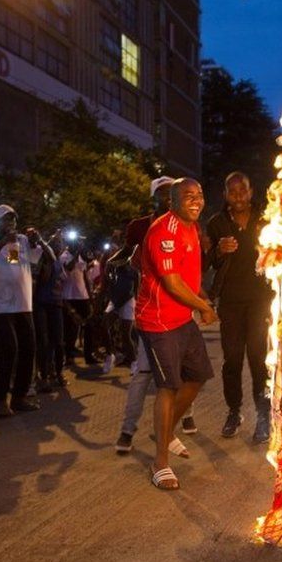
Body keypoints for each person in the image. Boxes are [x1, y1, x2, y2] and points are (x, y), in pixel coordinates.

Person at [135, 178, 217, 490]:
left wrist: (202, 299)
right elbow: (171, 282)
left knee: (196, 377)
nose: (196, 201)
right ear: (172, 201)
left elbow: (189, 275)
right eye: (188, 196)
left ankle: (166, 431)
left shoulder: (192, 228)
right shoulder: (163, 231)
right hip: (158, 322)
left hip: (182, 318)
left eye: (199, 195)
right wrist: (203, 308)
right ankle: (160, 464)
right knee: (168, 387)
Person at [114, 176, 199, 451]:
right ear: (154, 197)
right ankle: (128, 430)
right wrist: (121, 263)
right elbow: (126, 255)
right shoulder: (140, 226)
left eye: (171, 193)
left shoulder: (188, 223)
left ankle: (184, 416)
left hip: (182, 307)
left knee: (187, 370)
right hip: (154, 311)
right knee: (144, 372)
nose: (167, 198)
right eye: (162, 194)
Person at [205, 172, 274, 442]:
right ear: (225, 195)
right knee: (232, 360)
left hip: (261, 299)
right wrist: (220, 250)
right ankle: (234, 412)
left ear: (250, 191)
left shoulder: (267, 218)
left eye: (242, 191)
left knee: (259, 359)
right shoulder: (217, 223)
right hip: (231, 301)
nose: (238, 197)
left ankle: (263, 415)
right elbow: (208, 261)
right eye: (232, 192)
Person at [0, 204, 52, 417]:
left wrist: (38, 241)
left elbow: (18, 266)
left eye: (13, 219)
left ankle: (19, 397)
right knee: (11, 348)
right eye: (5, 219)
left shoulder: (18, 243)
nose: (10, 223)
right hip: (1, 304)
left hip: (22, 304)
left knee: (29, 348)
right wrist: (2, 242)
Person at [33, 232, 67, 391]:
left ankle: (59, 372)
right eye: (54, 242)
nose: (58, 246)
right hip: (41, 303)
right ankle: (44, 376)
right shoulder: (43, 259)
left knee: (59, 342)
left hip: (57, 304)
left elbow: (62, 282)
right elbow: (43, 279)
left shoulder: (60, 262)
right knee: (44, 341)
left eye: (60, 243)